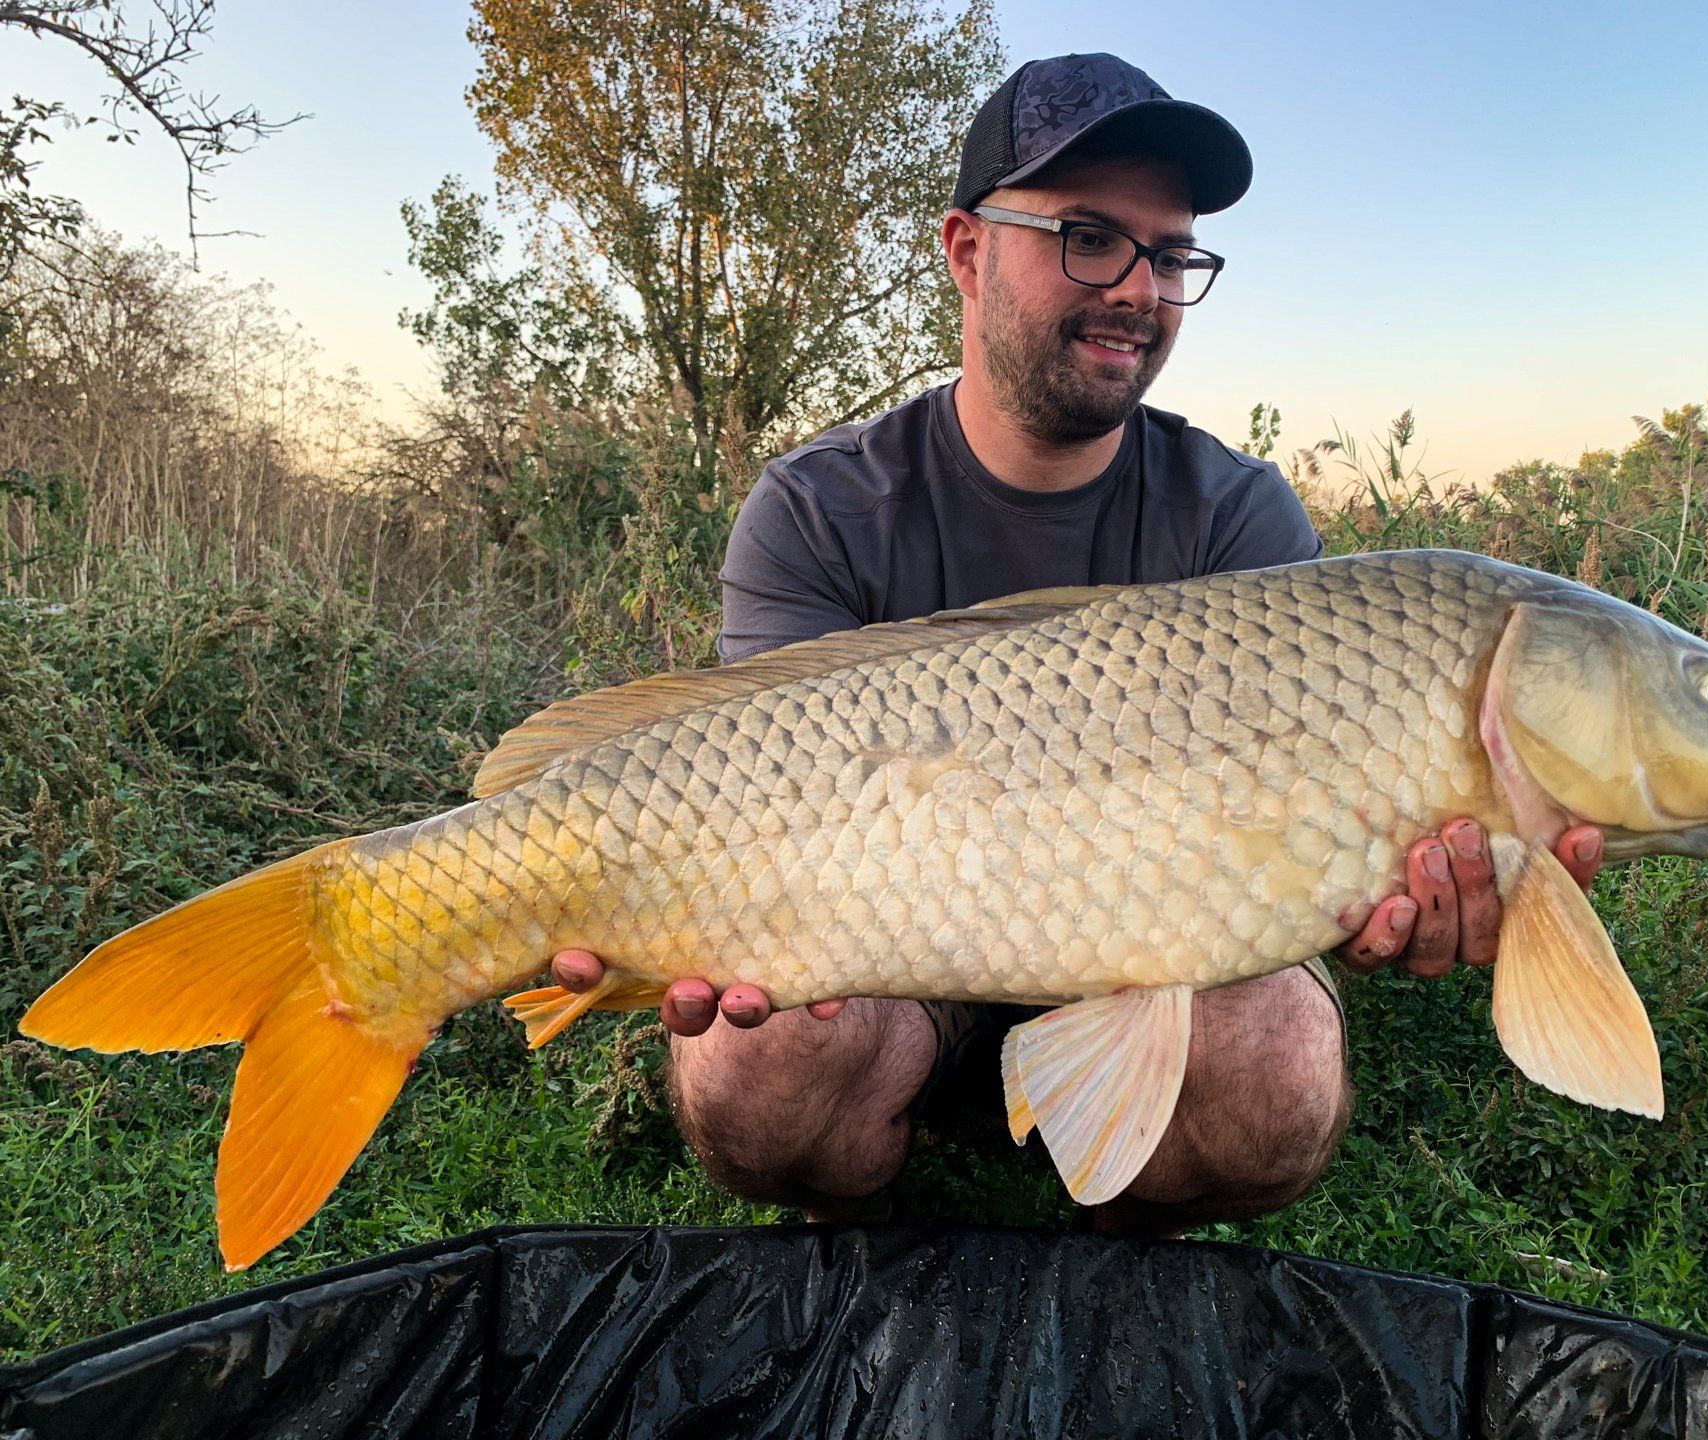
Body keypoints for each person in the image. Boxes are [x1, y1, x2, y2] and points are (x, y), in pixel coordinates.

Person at [548, 54, 1602, 1236]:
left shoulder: (1238, 516)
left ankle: (1114, 1242)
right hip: (890, 971)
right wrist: (668, 927)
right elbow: (753, 800)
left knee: (1282, 1074)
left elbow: (1304, 843)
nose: (1140, 291)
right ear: (965, 251)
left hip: (1159, 965)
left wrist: (1393, 879)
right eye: (1090, 238)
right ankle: (879, 1244)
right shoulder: (815, 509)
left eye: (1171, 255)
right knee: (757, 1080)